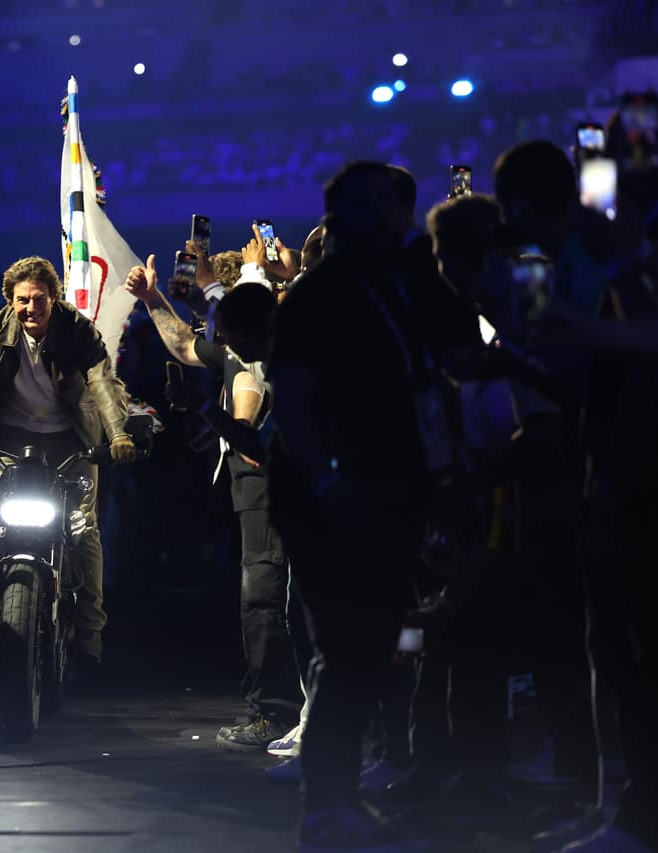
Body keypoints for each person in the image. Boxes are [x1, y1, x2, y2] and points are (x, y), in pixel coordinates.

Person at [267, 162, 443, 851]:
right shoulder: (320, 295)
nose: (401, 222)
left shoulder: (392, 286)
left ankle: (338, 802)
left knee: (372, 647)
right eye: (387, 211)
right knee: (348, 648)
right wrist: (331, 487)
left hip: (388, 489)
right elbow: (295, 401)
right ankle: (329, 809)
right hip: (332, 499)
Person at [124, 255, 301, 751]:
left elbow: (251, 441)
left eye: (222, 329)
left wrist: (199, 406)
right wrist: (153, 299)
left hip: (270, 497)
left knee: (265, 603)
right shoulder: (240, 351)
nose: (215, 338)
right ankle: (287, 710)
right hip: (257, 498)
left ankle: (276, 713)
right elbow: (183, 344)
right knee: (268, 603)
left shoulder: (258, 366)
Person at [0, 256, 137, 663]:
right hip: (10, 437)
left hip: (71, 439)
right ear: (10, 300)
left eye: (39, 299)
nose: (31, 308)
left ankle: (90, 627)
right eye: (22, 300)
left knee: (85, 527)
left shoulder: (77, 329)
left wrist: (117, 434)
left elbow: (101, 379)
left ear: (53, 297)